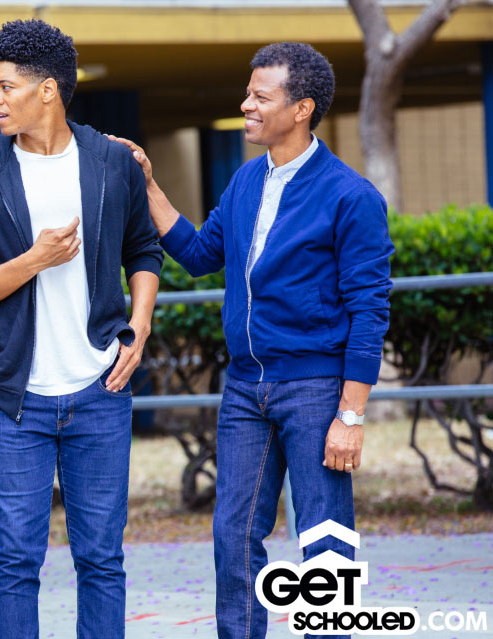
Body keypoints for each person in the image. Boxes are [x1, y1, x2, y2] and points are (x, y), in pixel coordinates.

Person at [110, 42, 393, 639]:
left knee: (323, 536)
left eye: (261, 97)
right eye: (248, 94)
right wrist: (149, 185)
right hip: (244, 389)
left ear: (302, 108)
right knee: (233, 534)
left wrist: (351, 415)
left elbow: (370, 312)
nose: (246, 105)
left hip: (315, 388)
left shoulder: (351, 196)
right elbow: (199, 255)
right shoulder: (245, 182)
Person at [0, 19, 163, 639]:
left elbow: (143, 249)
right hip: (16, 398)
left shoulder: (111, 161)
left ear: (47, 90)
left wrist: (139, 326)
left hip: (101, 388)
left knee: (102, 558)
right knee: (16, 561)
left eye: (5, 86)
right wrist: (32, 261)